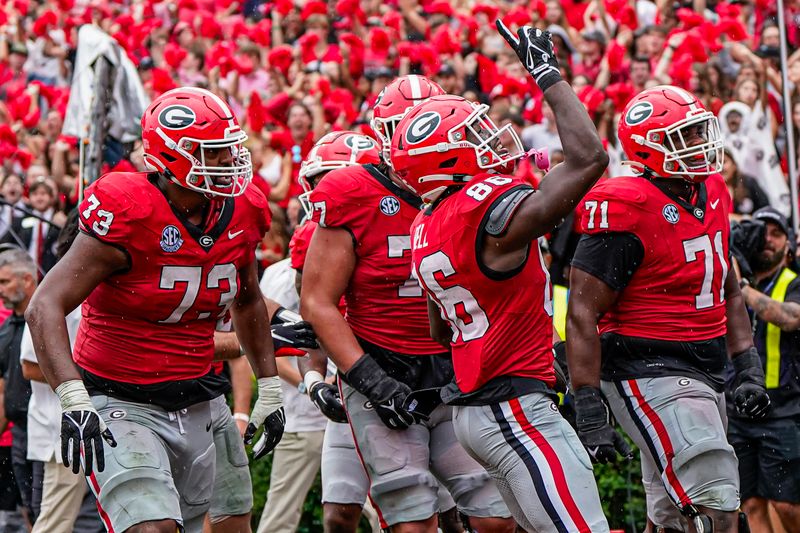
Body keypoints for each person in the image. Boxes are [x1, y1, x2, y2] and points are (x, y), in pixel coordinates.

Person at [24, 87, 285, 533]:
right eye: (212, 154)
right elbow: (44, 304)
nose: (227, 164)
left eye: (228, 152)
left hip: (200, 392)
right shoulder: (128, 207)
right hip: (121, 396)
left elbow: (247, 298)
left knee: (232, 524)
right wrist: (73, 398)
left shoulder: (244, 210)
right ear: (171, 157)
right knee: (154, 527)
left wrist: (271, 385)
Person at [394, 23, 610, 533]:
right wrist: (548, 74)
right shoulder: (484, 210)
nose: (489, 140)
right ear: (445, 158)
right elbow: (590, 159)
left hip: (478, 410)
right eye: (471, 137)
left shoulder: (424, 222)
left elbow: (440, 330)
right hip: (512, 409)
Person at [301, 75, 514, 533]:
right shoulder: (350, 191)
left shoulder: (471, 186)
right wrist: (371, 380)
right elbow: (317, 302)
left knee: (494, 512)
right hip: (382, 362)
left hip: (458, 364)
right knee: (411, 515)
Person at [566, 85, 771, 533]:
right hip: (646, 365)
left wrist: (748, 365)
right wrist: (587, 400)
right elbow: (582, 311)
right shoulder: (626, 203)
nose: (700, 143)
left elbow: (728, 287)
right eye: (686, 136)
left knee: (674, 513)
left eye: (700, 130)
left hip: (705, 364)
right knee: (715, 500)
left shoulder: (712, 189)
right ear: (648, 147)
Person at [729, 207, 800, 531]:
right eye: (761, 232)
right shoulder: (727, 279)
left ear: (789, 245)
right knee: (751, 503)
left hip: (783, 411)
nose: (767, 240)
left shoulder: (792, 282)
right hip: (738, 412)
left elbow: (791, 318)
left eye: (776, 233)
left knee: (787, 504)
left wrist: (740, 289)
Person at [0, 249, 41, 528]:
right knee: (29, 505)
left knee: (46, 505)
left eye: (4, 282)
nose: (0, 290)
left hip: (47, 430)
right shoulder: (6, 328)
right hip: (19, 432)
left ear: (27, 280)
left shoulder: (48, 319)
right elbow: (3, 387)